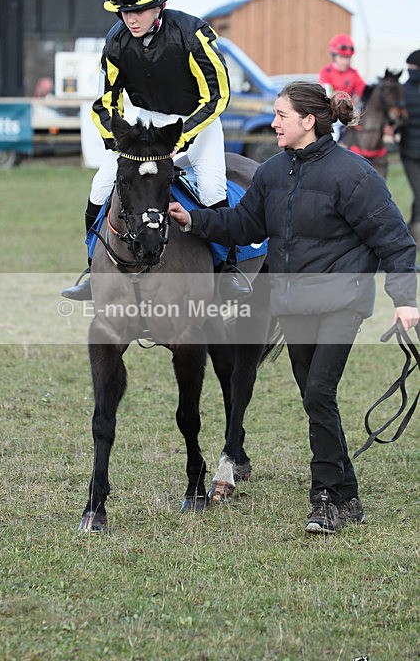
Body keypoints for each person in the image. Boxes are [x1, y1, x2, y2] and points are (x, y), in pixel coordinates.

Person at [169, 81, 419, 535]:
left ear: (309, 121)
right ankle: (349, 495)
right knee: (314, 397)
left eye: (281, 114)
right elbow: (243, 225)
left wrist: (404, 301)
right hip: (293, 302)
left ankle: (323, 498)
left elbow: (396, 240)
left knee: (319, 392)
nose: (273, 122)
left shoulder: (355, 175)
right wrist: (195, 220)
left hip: (342, 301)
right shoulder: (270, 173)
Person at [61, 0, 246, 301]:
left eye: (138, 10)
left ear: (161, 5)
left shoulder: (193, 35)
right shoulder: (115, 42)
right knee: (100, 187)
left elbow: (218, 95)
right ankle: (92, 268)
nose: (130, 18)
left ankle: (227, 269)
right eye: (123, 11)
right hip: (143, 127)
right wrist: (117, 140)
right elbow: (106, 101)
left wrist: (185, 135)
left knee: (210, 191)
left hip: (195, 123)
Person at [399, 49, 420, 249]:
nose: (410, 71)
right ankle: (415, 236)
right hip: (409, 154)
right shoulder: (402, 90)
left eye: (414, 68)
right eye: (409, 68)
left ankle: (410, 231)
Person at [319, 34, 366, 102]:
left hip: (349, 110)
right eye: (341, 57)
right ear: (334, 56)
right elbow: (328, 95)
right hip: (331, 109)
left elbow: (364, 92)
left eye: (348, 58)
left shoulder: (353, 73)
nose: (345, 62)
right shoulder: (326, 72)